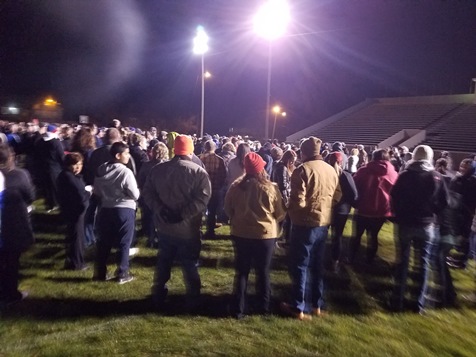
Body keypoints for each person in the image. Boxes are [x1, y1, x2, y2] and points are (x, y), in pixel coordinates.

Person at [143, 135, 211, 311]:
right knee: (189, 264)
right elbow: (203, 198)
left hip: (164, 227)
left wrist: (160, 209)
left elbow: (147, 193)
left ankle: (158, 294)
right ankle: (193, 298)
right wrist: (183, 214)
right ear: (190, 150)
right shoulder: (198, 172)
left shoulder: (158, 170)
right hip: (187, 229)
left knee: (164, 261)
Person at [280, 137, 341, 320]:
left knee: (300, 266)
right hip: (323, 223)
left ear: (303, 152)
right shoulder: (330, 169)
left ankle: (298, 307)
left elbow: (297, 201)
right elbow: (338, 194)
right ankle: (316, 305)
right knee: (317, 266)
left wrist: (288, 210)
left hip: (305, 224)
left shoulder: (302, 170)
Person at [225, 152, 286, 318]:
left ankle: (238, 308)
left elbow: (228, 209)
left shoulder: (236, 186)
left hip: (241, 233)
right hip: (265, 235)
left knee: (242, 271)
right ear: (260, 169)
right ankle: (263, 307)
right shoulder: (271, 188)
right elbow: (280, 213)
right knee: (263, 271)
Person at [390, 145, 448, 312]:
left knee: (403, 262)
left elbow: (394, 196)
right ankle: (418, 303)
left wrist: (399, 213)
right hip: (426, 224)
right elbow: (445, 202)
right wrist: (432, 213)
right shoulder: (436, 176)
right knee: (422, 264)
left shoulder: (405, 175)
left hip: (405, 224)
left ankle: (397, 301)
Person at [93, 142, 140, 284]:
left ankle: (100, 272)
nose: (128, 156)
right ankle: (122, 273)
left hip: (106, 208)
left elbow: (97, 189)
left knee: (104, 242)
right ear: (118, 155)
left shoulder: (101, 169)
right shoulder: (125, 172)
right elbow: (134, 194)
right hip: (124, 209)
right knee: (124, 242)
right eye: (126, 153)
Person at [0, 144, 35, 305]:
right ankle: (11, 293)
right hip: (12, 223)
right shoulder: (19, 175)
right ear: (10, 157)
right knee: (12, 260)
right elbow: (30, 196)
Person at [349, 149, 398, 264]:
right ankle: (369, 259)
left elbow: (354, 187)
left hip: (363, 208)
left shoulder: (363, 171)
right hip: (381, 210)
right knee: (373, 236)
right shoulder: (393, 173)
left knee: (357, 235)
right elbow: (396, 192)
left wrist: (355, 202)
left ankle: (351, 257)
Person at [57, 152, 90, 271]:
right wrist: (88, 193)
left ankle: (73, 260)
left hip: (72, 211)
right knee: (76, 238)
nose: (78, 167)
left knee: (74, 236)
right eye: (75, 164)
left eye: (80, 164)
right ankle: (77, 263)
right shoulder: (68, 177)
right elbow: (80, 195)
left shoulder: (68, 176)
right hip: (74, 211)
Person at [328, 151, 358, 272]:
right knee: (337, 236)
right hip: (341, 210)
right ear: (341, 162)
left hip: (327, 208)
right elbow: (354, 194)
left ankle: (318, 259)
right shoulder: (345, 175)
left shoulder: (325, 173)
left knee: (322, 234)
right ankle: (335, 262)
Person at [200, 140, 227, 239]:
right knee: (212, 211)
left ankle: (197, 230)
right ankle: (210, 231)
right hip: (215, 189)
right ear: (214, 148)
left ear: (205, 147)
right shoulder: (219, 160)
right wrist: (219, 186)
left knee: (200, 211)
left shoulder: (201, 159)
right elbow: (224, 175)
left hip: (202, 189)